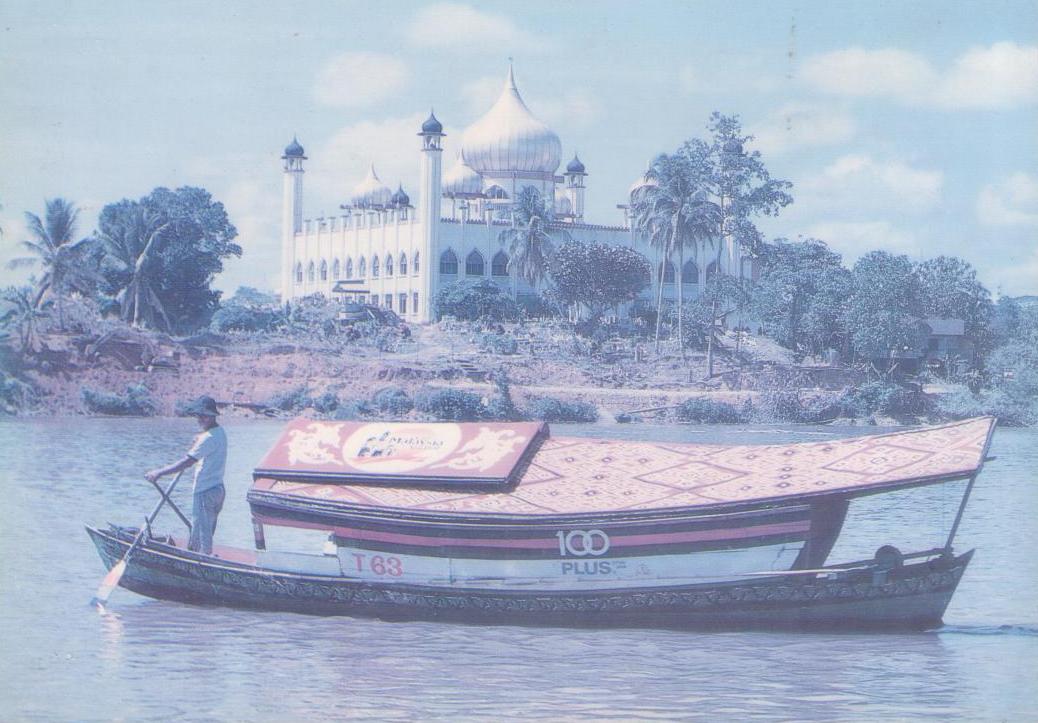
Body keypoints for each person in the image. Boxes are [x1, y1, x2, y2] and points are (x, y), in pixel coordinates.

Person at [145, 395, 227, 555]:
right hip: (218, 491)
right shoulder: (220, 432)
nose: (200, 419)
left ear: (212, 416)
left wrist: (159, 473)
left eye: (204, 416)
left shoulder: (207, 439)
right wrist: (199, 439)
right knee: (201, 532)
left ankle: (203, 564)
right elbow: (207, 443)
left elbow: (186, 462)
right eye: (199, 416)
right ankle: (194, 554)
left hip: (205, 492)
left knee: (204, 538)